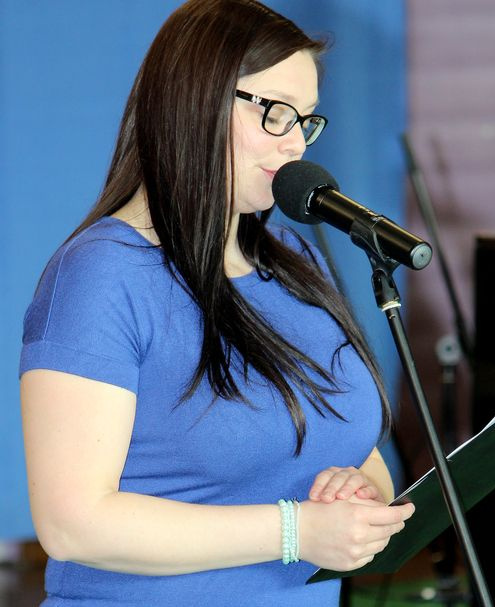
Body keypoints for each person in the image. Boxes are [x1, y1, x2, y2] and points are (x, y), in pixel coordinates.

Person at [19, 1, 415, 605]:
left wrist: (357, 493)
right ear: (196, 102)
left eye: (305, 120)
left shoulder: (295, 261)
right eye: (276, 113)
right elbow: (73, 524)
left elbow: (358, 450)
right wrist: (296, 531)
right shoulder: (101, 274)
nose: (295, 144)